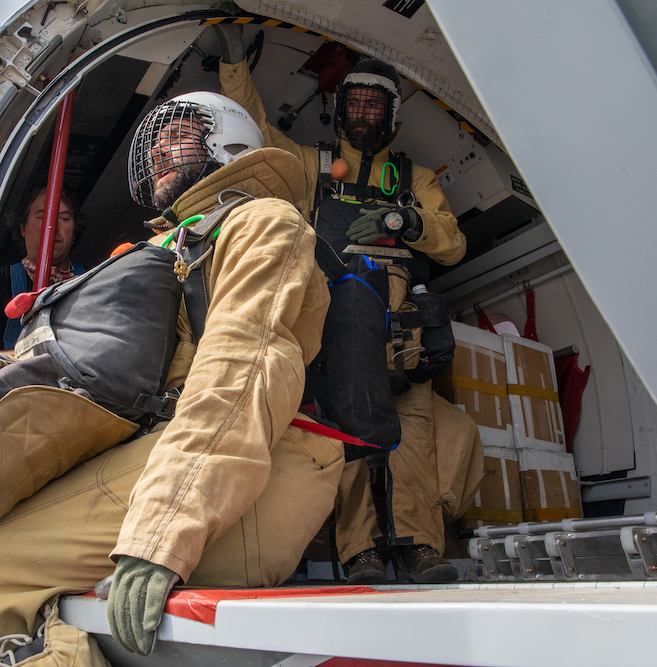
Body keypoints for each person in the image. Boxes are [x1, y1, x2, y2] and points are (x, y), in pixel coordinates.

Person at [0, 92, 343, 665]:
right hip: (169, 454)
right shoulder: (171, 243)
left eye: (178, 138)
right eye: (154, 144)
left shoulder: (262, 222)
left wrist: (161, 534)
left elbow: (242, 373)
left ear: (229, 144)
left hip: (251, 471)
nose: (159, 155)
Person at [215, 27, 484, 585]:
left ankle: (421, 548)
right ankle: (360, 550)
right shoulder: (315, 168)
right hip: (339, 323)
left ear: (392, 117)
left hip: (402, 327)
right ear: (340, 110)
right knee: (350, 432)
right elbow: (258, 138)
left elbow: (453, 243)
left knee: (412, 437)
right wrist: (235, 68)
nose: (363, 112)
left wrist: (404, 220)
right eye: (355, 102)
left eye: (374, 104)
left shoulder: (416, 178)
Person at [0, 186, 86, 351]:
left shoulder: (93, 280)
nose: (53, 228)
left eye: (64, 218)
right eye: (43, 217)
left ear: (74, 231)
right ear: (22, 227)